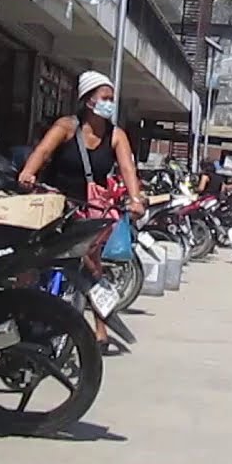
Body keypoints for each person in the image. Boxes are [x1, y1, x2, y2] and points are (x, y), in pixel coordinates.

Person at [18, 70, 147, 354]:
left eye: (112, 99)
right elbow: (42, 152)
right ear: (89, 101)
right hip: (55, 204)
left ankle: (101, 331)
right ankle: (19, 316)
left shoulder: (116, 136)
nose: (110, 104)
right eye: (105, 98)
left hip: (90, 210)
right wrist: (28, 172)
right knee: (31, 262)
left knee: (93, 268)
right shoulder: (66, 126)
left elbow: (127, 168)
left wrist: (135, 198)